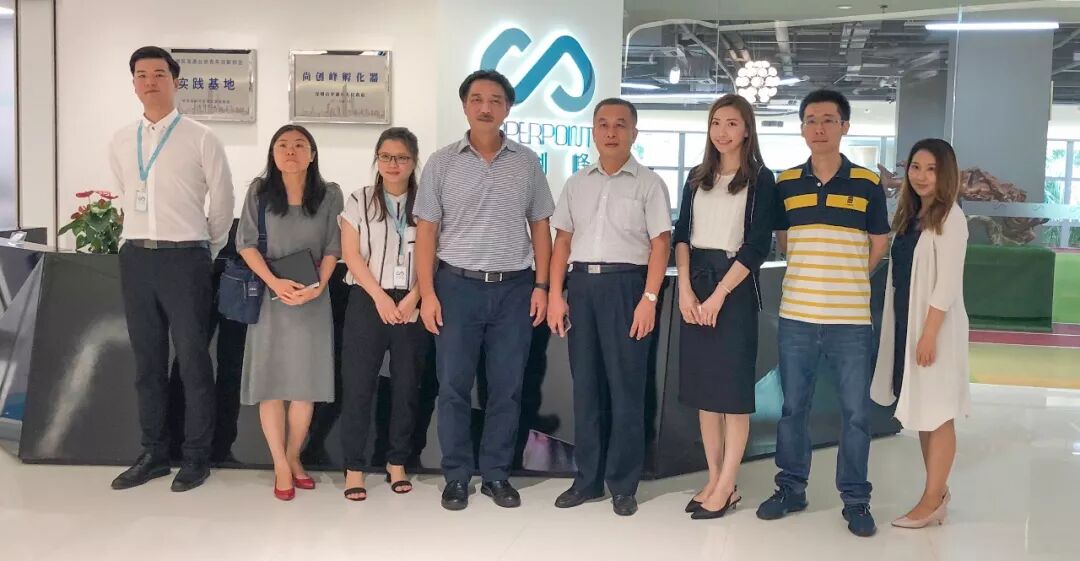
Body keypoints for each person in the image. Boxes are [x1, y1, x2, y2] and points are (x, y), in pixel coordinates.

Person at [414, 69, 554, 511]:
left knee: (506, 388)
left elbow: (541, 226)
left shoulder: (527, 162)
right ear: (464, 106)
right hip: (456, 287)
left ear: (508, 108)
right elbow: (426, 232)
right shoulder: (441, 162)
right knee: (453, 387)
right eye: (477, 99)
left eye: (495, 100)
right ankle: (456, 477)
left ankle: (496, 474)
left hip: (514, 289)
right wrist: (428, 293)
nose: (486, 107)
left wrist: (542, 285)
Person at [757, 89, 889, 537]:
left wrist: (849, 276)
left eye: (829, 120)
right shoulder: (786, 183)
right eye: (811, 119)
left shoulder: (867, 183)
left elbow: (879, 243)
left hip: (850, 321)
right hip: (797, 316)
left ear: (844, 126)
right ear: (801, 128)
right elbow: (784, 241)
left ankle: (855, 499)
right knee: (793, 408)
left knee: (855, 414)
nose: (819, 128)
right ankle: (791, 489)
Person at [109, 46, 234, 493]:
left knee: (193, 362)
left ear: (175, 81)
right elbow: (124, 194)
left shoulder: (201, 137)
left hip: (186, 260)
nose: (150, 81)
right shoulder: (121, 140)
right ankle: (154, 454)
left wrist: (205, 249)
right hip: (137, 258)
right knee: (147, 363)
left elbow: (222, 202)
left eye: (159, 74)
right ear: (134, 84)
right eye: (141, 75)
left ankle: (196, 456)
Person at [547, 98, 671, 517]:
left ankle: (622, 484)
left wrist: (649, 299)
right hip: (582, 287)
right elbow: (563, 241)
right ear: (594, 131)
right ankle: (587, 480)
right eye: (603, 124)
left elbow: (660, 245)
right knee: (586, 388)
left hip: (627, 287)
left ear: (634, 132)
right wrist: (556, 294)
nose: (611, 132)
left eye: (620, 124)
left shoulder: (649, 183)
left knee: (625, 389)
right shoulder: (576, 183)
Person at [671, 94, 776, 520]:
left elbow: (757, 246)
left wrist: (719, 296)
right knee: (705, 394)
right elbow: (681, 234)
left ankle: (728, 482)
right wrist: (685, 290)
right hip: (695, 282)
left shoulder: (761, 179)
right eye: (716, 122)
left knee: (732, 394)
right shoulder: (697, 177)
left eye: (732, 123)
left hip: (734, 289)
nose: (722, 131)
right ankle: (714, 479)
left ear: (747, 130)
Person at [234, 124, 343, 501]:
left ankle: (294, 455)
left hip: (313, 299)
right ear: (273, 153)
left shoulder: (329, 195)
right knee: (272, 383)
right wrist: (274, 283)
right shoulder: (259, 192)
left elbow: (334, 246)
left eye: (299, 145)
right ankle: (280, 463)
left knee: (304, 385)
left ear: (312, 154)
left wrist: (320, 286)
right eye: (282, 145)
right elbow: (246, 243)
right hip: (271, 298)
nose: (291, 151)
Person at [870, 138, 970, 529]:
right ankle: (937, 492)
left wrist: (929, 334)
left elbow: (947, 283)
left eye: (931, 169)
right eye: (916, 167)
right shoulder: (911, 216)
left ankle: (932, 499)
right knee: (926, 412)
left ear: (946, 174)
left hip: (934, 329)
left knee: (939, 413)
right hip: (906, 322)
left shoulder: (951, 217)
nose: (922, 176)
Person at [338, 127, 432, 501]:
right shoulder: (359, 199)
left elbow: (436, 254)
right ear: (377, 159)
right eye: (386, 157)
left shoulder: (427, 202)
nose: (394, 164)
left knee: (407, 387)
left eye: (402, 157)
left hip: (412, 301)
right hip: (368, 299)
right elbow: (351, 254)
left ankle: (397, 463)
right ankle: (354, 467)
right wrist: (379, 297)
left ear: (414, 161)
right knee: (358, 386)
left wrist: (415, 297)